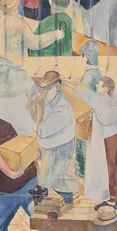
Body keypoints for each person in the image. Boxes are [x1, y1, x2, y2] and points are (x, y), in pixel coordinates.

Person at [72, 74, 117, 204]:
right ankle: (111, 195)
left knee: (110, 166)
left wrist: (73, 87)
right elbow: (88, 95)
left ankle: (114, 196)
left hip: (109, 137)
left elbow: (89, 97)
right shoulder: (104, 99)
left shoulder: (104, 100)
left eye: (99, 84)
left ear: (106, 88)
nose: (96, 86)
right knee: (110, 166)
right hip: (109, 136)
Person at [31, 71, 76, 204]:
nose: (45, 92)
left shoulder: (62, 109)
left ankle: (67, 200)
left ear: (56, 88)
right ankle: (44, 193)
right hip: (49, 143)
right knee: (45, 176)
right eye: (44, 88)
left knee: (54, 178)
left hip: (62, 146)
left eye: (48, 89)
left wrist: (38, 110)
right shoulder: (50, 98)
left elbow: (43, 130)